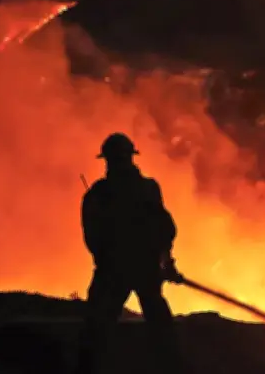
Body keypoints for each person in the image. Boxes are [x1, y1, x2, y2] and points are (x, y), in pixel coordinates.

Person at [75, 133, 184, 374]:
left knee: (96, 330)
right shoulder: (146, 189)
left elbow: (93, 236)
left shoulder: (99, 194)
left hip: (114, 272)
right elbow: (165, 229)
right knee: (160, 328)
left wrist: (106, 261)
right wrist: (166, 262)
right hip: (142, 269)